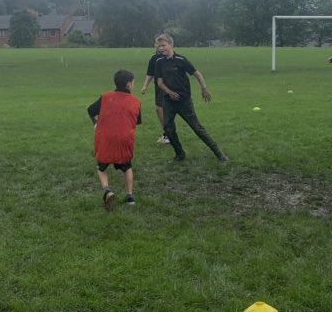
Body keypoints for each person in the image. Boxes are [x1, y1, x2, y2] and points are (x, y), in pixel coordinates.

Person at [153, 33, 228, 162]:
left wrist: (204, 88)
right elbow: (159, 83)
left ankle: (219, 153)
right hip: (168, 100)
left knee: (196, 127)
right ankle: (179, 154)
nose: (160, 48)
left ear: (171, 45)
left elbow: (197, 74)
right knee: (168, 128)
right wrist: (169, 92)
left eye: (163, 45)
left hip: (184, 101)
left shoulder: (181, 60)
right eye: (159, 46)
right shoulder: (159, 62)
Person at [88, 69, 142, 208]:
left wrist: (96, 123)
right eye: (133, 83)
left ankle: (107, 191)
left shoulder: (105, 97)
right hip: (124, 139)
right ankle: (130, 196)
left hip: (105, 138)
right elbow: (137, 121)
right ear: (128, 85)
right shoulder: (136, 102)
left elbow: (91, 110)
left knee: (101, 167)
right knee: (127, 167)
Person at [140, 47, 169, 144]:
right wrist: (145, 86)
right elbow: (150, 73)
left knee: (166, 109)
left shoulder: (171, 56)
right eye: (157, 44)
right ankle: (167, 133)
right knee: (159, 109)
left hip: (171, 86)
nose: (160, 47)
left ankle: (168, 134)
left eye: (162, 44)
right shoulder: (154, 58)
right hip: (159, 87)